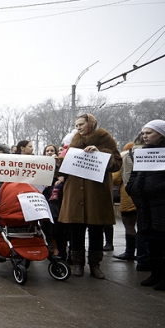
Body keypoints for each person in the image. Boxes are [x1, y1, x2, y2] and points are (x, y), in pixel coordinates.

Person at [126, 120, 165, 291]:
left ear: (162, 134)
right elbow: (135, 175)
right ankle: (155, 275)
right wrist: (131, 188)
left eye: (149, 133)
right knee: (152, 242)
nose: (144, 136)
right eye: (144, 133)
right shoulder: (143, 152)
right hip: (146, 206)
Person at [57, 114, 121, 279]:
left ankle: (95, 265)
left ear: (90, 124)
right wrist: (58, 163)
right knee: (76, 229)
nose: (78, 127)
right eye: (76, 125)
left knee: (96, 229)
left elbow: (117, 163)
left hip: (96, 192)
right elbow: (66, 166)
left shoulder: (106, 139)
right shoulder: (74, 141)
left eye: (81, 124)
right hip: (74, 191)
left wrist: (101, 154)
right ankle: (77, 263)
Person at [113, 140, 138, 261]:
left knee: (129, 224)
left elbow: (116, 179)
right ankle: (144, 253)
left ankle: (130, 251)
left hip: (128, 194)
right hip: (145, 195)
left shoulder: (124, 156)